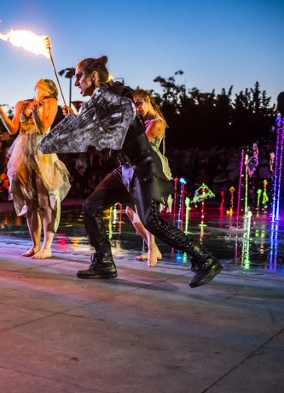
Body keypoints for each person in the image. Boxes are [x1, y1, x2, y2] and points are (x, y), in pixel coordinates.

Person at [39, 56, 222, 287]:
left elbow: (106, 131)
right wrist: (75, 123)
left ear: (94, 76)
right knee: (91, 207)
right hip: (125, 169)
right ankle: (104, 262)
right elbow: (99, 133)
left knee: (152, 221)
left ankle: (205, 260)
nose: (76, 83)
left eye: (79, 77)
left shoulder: (117, 94)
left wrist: (69, 130)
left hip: (144, 167)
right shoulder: (102, 99)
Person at [0, 79, 71, 259]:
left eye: (42, 82)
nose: (37, 82)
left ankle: (47, 247)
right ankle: (35, 245)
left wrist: (35, 112)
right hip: (23, 152)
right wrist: (0, 110)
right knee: (30, 203)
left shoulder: (51, 102)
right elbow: (12, 129)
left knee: (44, 200)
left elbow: (43, 128)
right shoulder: (22, 104)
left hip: (42, 153)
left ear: (49, 88)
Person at [125, 89, 173, 266]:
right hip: (140, 168)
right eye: (134, 105)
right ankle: (153, 248)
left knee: (147, 213)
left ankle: (153, 249)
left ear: (148, 101)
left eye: (139, 103)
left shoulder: (157, 123)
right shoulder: (143, 121)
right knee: (131, 211)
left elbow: (140, 144)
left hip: (152, 170)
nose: (137, 108)